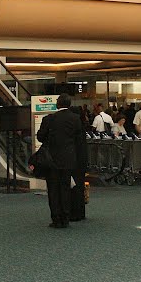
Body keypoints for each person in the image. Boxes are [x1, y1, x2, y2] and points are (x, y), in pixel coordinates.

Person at [36, 94, 87, 228]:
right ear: (69, 104)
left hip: (51, 159)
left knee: (53, 189)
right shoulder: (75, 119)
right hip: (68, 159)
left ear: (57, 104)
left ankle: (56, 218)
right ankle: (65, 217)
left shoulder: (49, 119)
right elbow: (78, 138)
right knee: (65, 188)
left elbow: (40, 137)